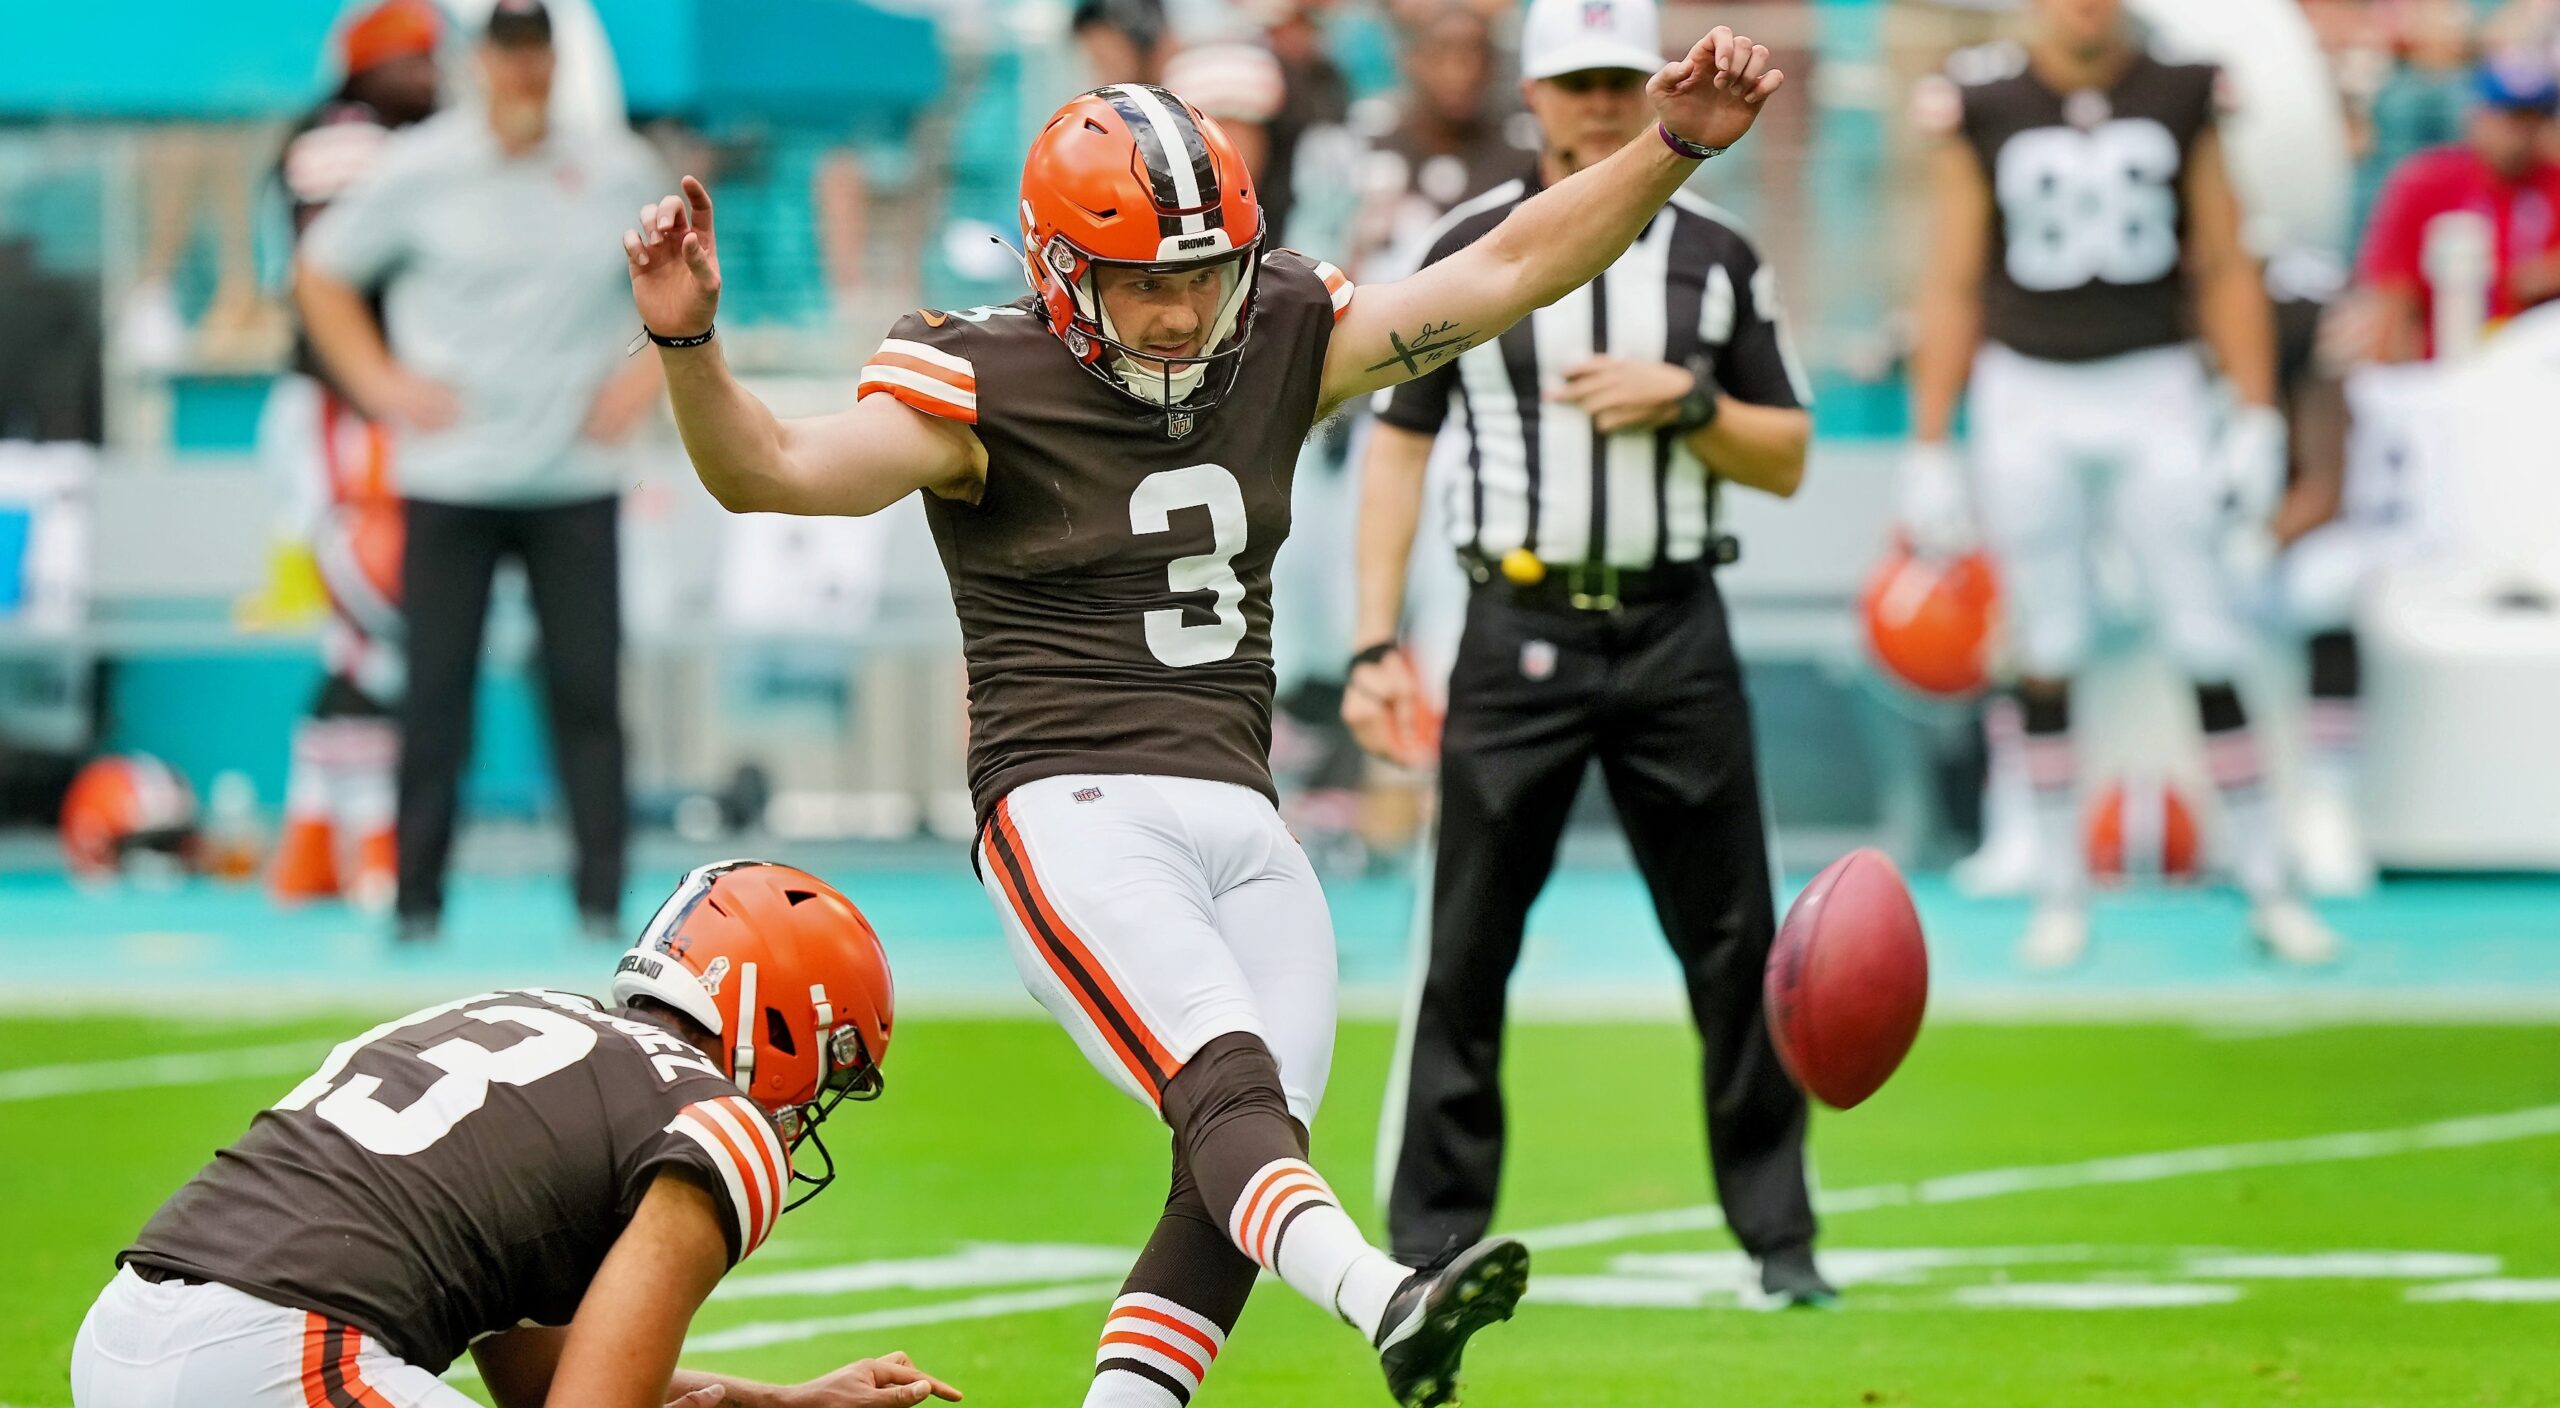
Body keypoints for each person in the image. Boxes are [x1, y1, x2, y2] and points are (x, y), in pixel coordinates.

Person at [626, 30, 1785, 1407]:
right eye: (1145, 283)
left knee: (1244, 1156)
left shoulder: (1284, 330)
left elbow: (1510, 269)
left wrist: (1675, 148)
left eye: (1203, 275)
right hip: (1070, 803)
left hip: (1243, 810)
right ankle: (1387, 1296)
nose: (1181, 314)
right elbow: (774, 474)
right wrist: (689, 341)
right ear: (1062, 272)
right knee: (1227, 1086)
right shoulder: (976, 384)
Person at [1339, 0, 1827, 1307]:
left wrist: (1693, 404)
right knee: (1467, 943)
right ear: (1536, 95)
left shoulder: (1715, 258)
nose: (1603, 104)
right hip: (1520, 626)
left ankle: (1783, 1240)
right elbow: (1397, 445)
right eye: (1578, 82)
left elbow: (1786, 454)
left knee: (1737, 945)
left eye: (1624, 79)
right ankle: (1431, 1248)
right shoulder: (1470, 245)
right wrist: (1376, 636)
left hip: (1675, 627)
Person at [71, 861, 958, 1408]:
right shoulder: (720, 1124)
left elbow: (537, 1384)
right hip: (283, 1357)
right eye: (828, 1076)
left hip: (122, 1336)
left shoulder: (519, 1016)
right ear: (785, 1025)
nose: (805, 1115)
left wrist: (775, 1403)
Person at [1899, 0, 2338, 966]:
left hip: (2155, 383)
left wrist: (2256, 406)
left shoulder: (2182, 86)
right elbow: (1953, 274)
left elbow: (2224, 260)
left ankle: (2270, 886)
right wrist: (1928, 437)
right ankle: (2059, 890)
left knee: (2204, 629)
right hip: (2027, 389)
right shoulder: (1982, 95)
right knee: (2047, 636)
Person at [298, 0, 668, 943]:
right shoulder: (418, 170)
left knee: (588, 694)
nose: (521, 74)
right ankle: (417, 903)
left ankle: (600, 899)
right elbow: (322, 273)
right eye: (506, 55)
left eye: (535, 54)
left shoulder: (615, 167)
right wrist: (380, 383)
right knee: (435, 696)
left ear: (552, 61)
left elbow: (683, 276)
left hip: (573, 474)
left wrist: (652, 374)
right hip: (452, 475)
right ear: (480, 63)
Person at [263, 0, 446, 913]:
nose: (431, 73)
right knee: (375, 621)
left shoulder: (403, 139)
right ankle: (370, 841)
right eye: (414, 59)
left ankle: (309, 843)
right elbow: (354, 265)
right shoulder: (347, 138)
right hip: (343, 406)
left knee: (359, 630)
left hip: (361, 406)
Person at [2358, 54, 2560, 363]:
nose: (2521, 135)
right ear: (2476, 115)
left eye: (2534, 120)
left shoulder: (2551, 181)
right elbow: (2393, 295)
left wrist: (2542, 275)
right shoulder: (2427, 181)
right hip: (2447, 363)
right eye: (2511, 119)